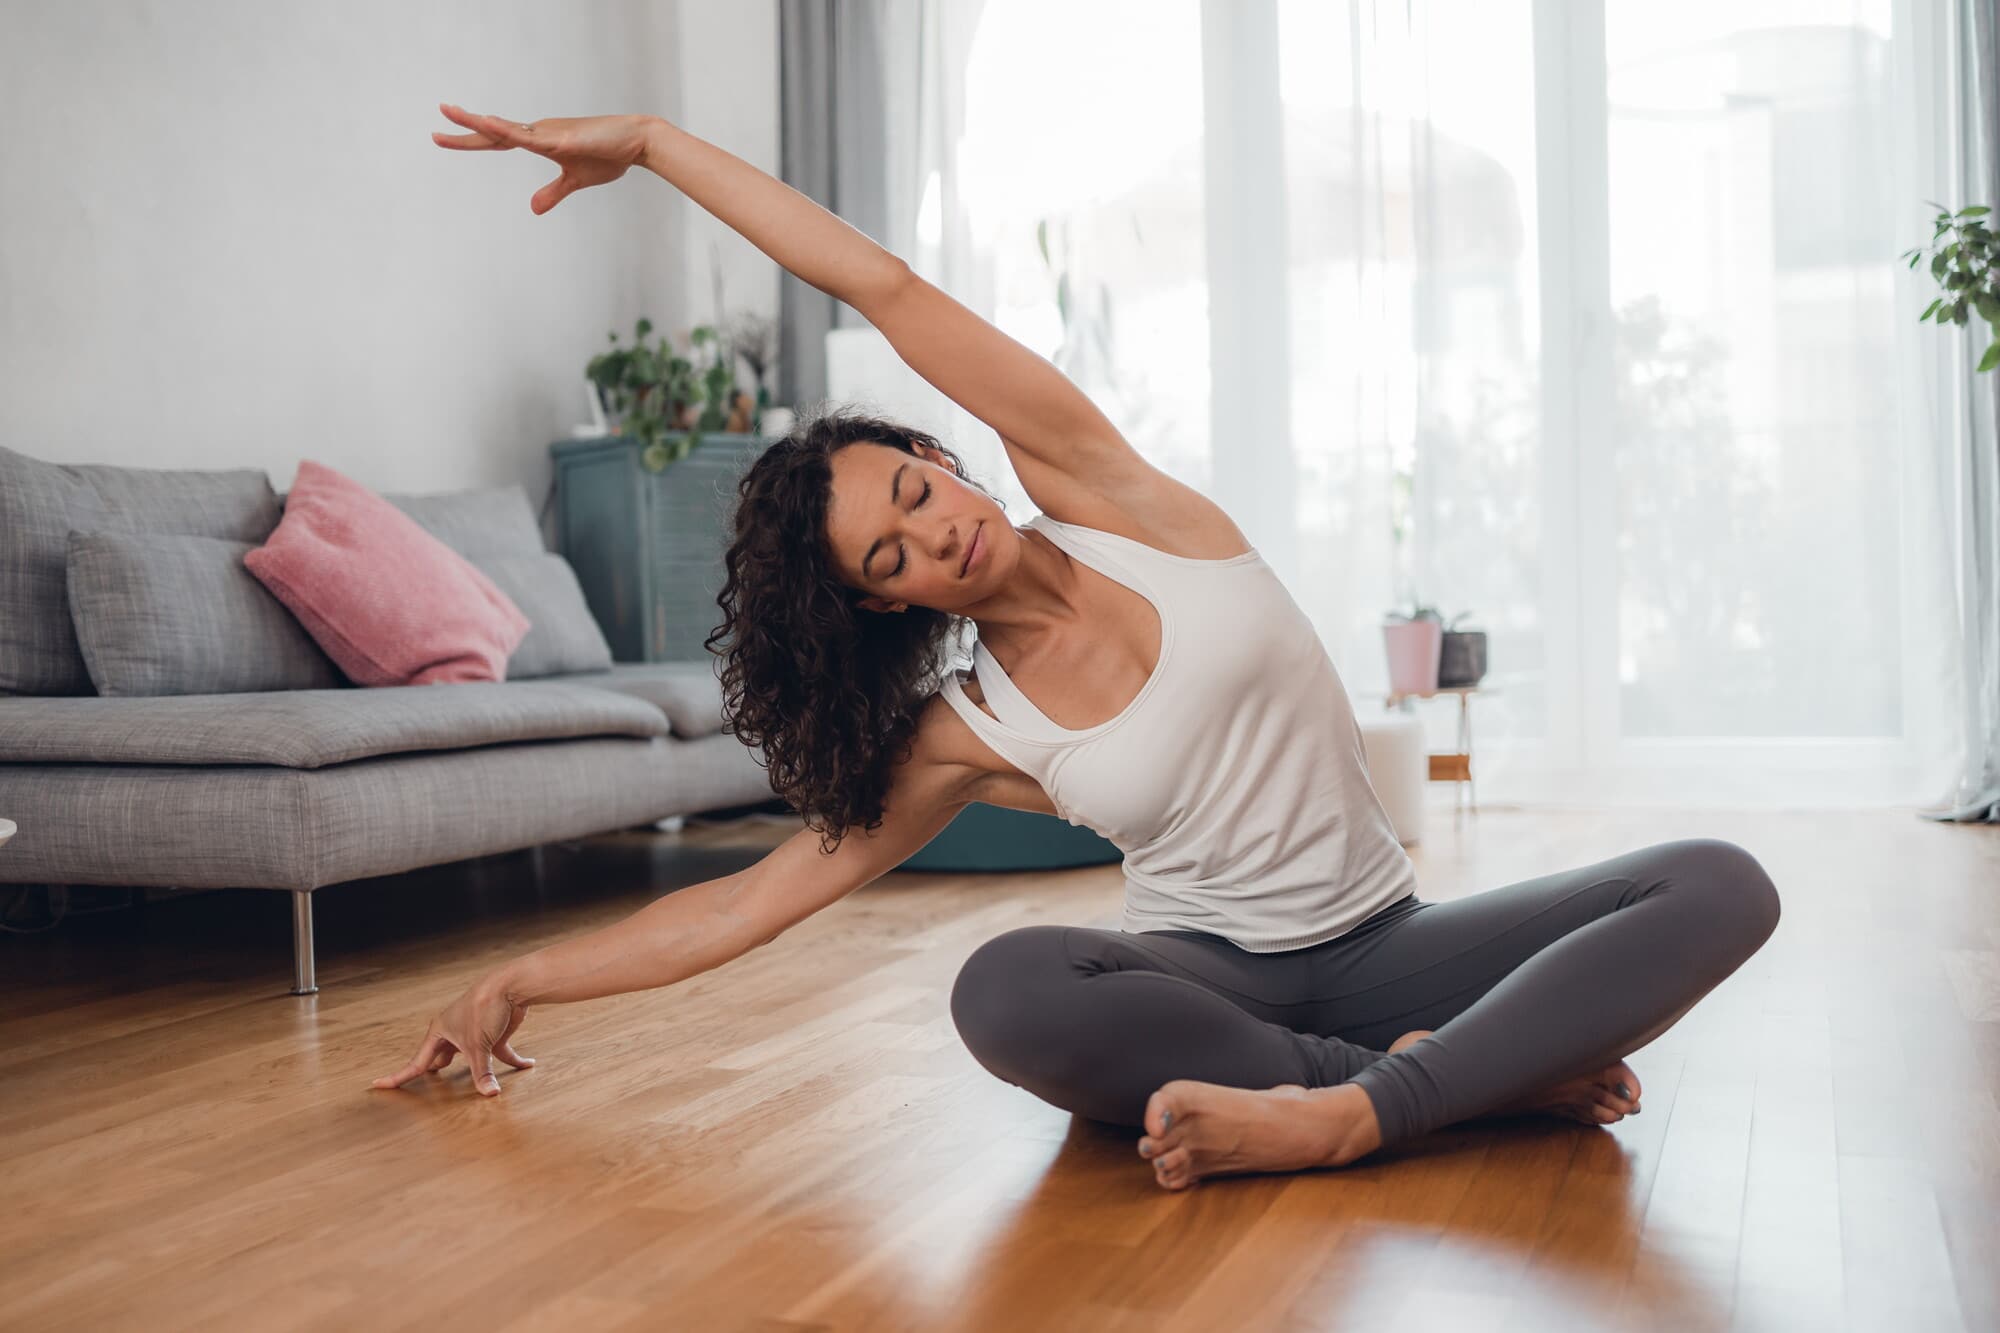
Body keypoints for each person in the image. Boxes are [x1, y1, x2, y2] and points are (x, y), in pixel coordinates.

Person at [373, 104, 1782, 1192]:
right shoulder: (964, 731)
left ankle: (1364, 1106)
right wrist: (519, 976)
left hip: (1392, 942)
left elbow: (886, 286)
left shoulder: (1111, 494)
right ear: (879, 604)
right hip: (1213, 986)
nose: (933, 540)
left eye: (918, 493)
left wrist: (655, 142)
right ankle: (1443, 1086)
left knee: (1719, 883)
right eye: (890, 557)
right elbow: (744, 905)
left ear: (944, 457)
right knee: (1003, 987)